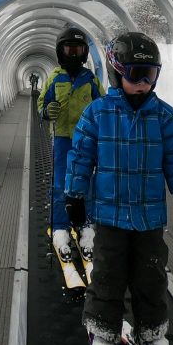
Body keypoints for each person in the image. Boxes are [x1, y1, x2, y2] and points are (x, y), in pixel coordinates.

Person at [64, 32, 173, 345]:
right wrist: (75, 195)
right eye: (135, 76)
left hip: (150, 219)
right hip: (110, 217)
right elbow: (80, 157)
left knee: (151, 279)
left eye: (150, 76)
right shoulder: (97, 114)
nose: (143, 84)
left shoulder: (164, 116)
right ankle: (103, 334)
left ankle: (152, 335)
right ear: (116, 72)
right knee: (108, 276)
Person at [37, 26, 104, 262]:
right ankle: (60, 227)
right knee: (60, 181)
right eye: (69, 49)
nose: (73, 55)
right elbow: (42, 103)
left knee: (86, 181)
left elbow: (102, 106)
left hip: (86, 140)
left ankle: (86, 224)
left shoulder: (91, 80)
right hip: (63, 138)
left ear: (84, 52)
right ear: (60, 51)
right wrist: (47, 111)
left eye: (77, 50)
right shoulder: (55, 79)